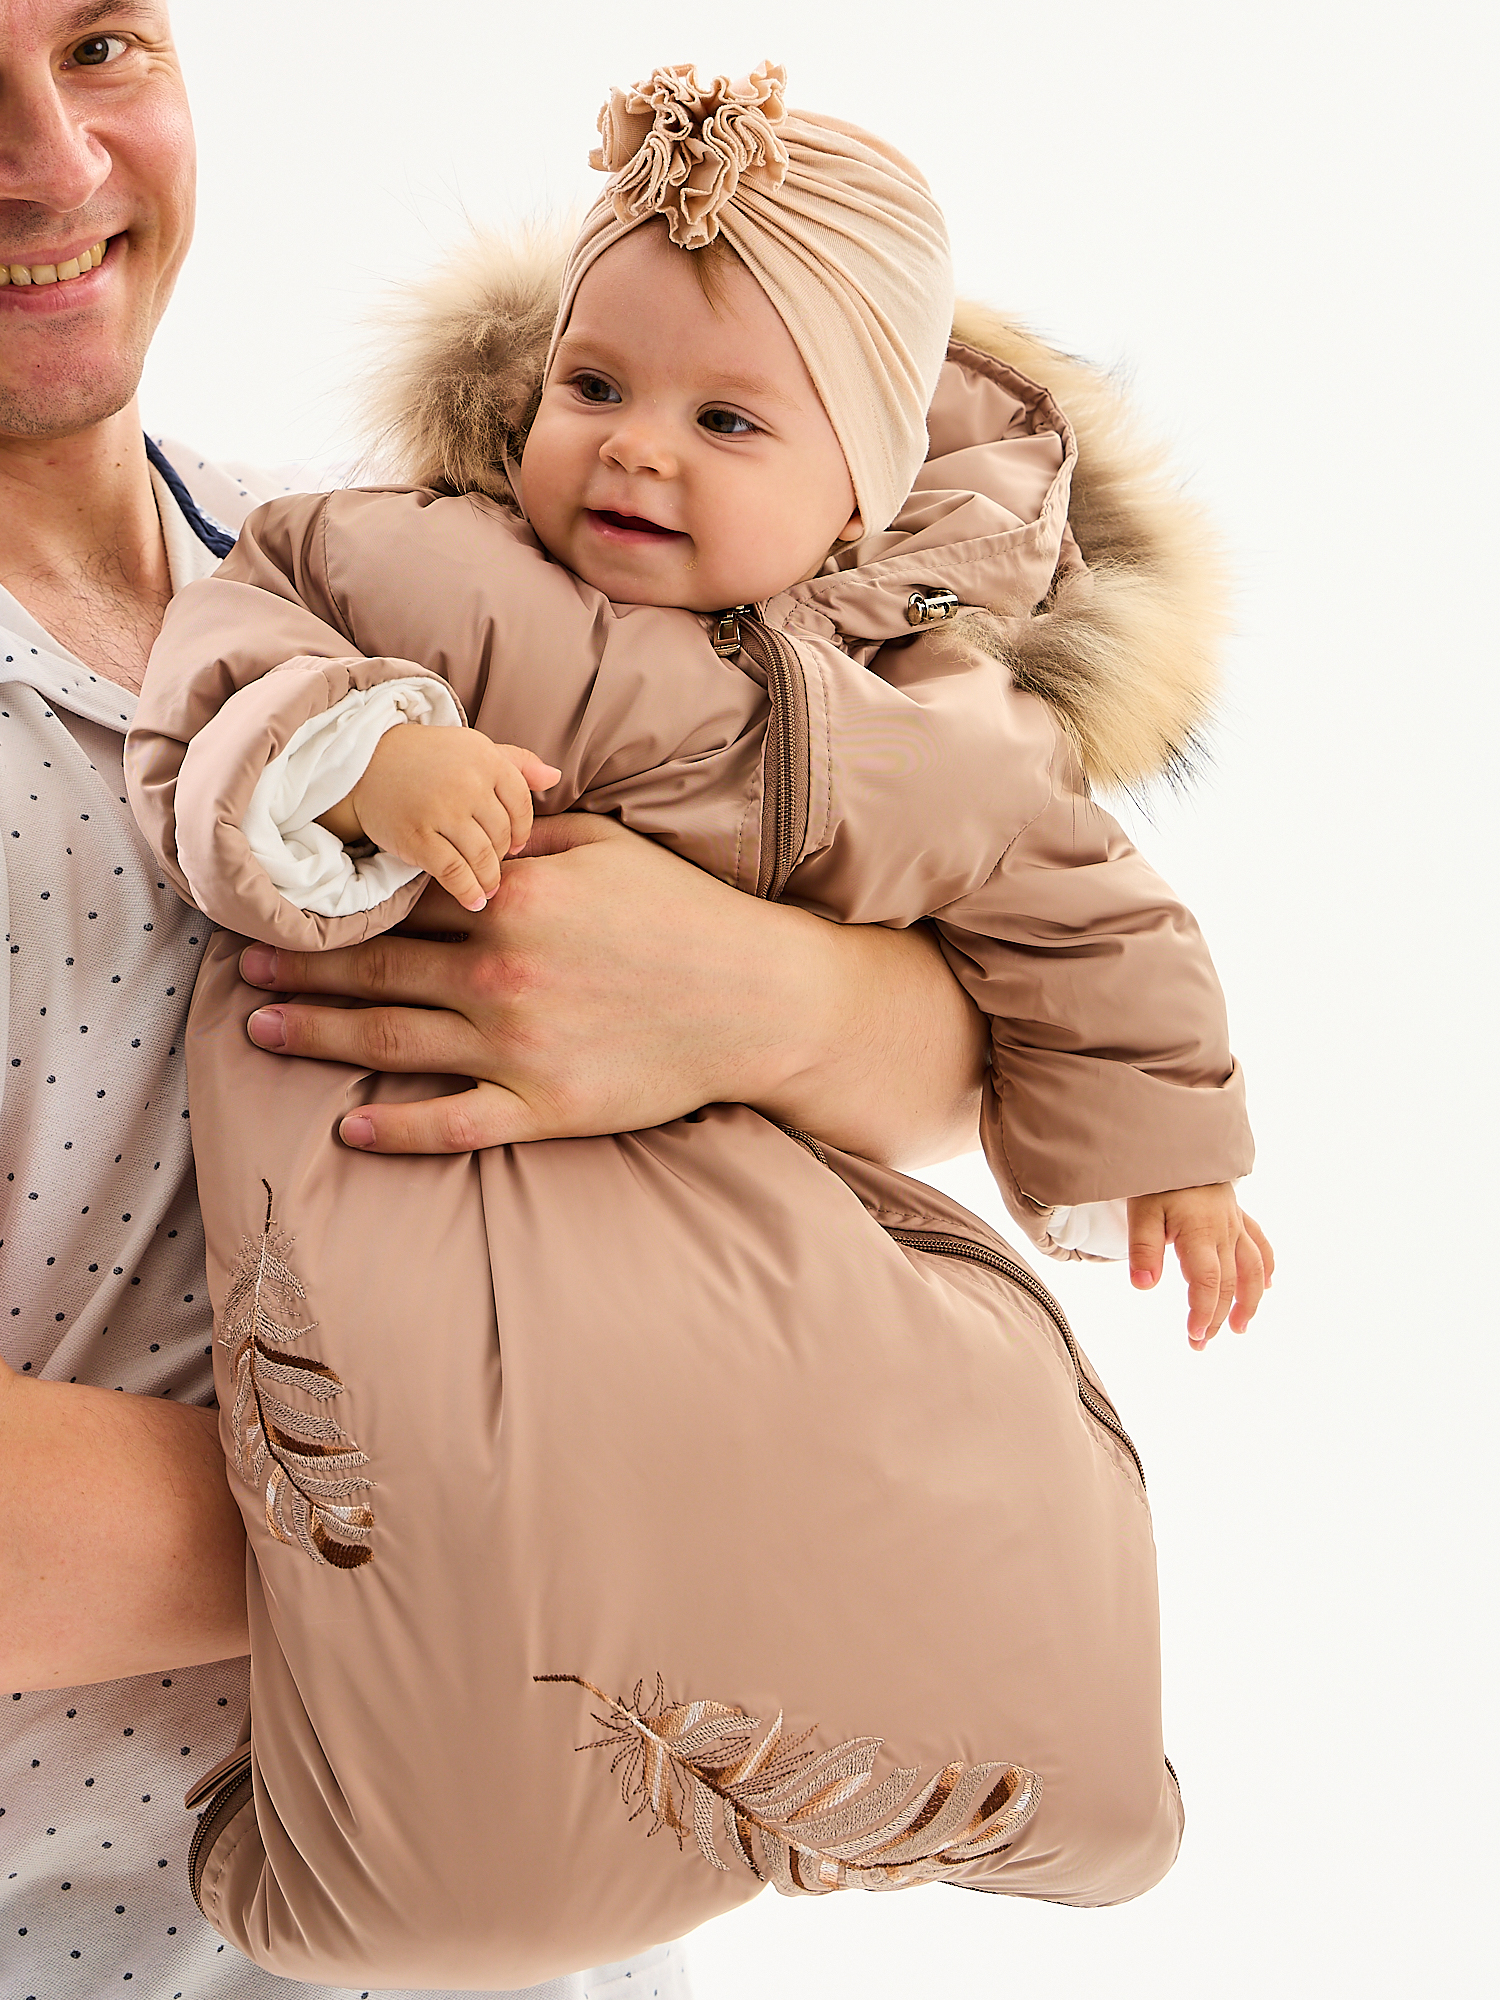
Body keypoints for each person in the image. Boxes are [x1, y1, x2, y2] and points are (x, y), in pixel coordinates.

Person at [122, 63, 1273, 1991]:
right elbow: (231, 669)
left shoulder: (939, 730)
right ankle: (418, 1866)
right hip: (427, 1203)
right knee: (465, 1567)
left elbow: (1093, 922)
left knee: (975, 1454)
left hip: (747, 1250)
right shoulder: (422, 565)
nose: (634, 453)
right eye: (594, 387)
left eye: (726, 420)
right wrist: (374, 755)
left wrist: (1181, 1160)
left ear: (864, 487)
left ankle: (1055, 1775)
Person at [0, 15, 986, 2000]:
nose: (55, 162)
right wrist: (565, 1511)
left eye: (99, 44)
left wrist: (751, 996)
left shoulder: (371, 563)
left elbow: (961, 1044)